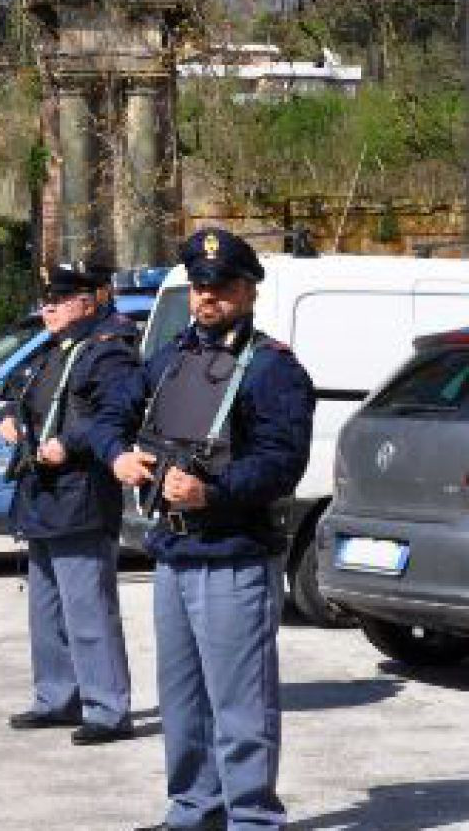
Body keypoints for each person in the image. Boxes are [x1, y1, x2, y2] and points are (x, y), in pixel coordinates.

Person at [88, 230, 315, 831]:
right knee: (184, 702)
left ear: (248, 289)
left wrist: (211, 491)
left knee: (240, 705)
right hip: (175, 550)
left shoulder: (274, 369)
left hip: (234, 556)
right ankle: (193, 809)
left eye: (220, 287)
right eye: (199, 286)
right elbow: (111, 409)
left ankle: (252, 818)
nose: (206, 297)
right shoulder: (171, 357)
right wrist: (117, 454)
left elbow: (281, 463)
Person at [0, 265, 139, 745]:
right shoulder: (52, 350)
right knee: (47, 610)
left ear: (90, 300)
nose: (49, 308)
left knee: (88, 609)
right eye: (46, 300)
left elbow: (117, 412)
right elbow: (16, 396)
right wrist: (8, 421)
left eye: (60, 299)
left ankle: (107, 707)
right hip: (42, 495)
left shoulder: (109, 351)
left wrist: (70, 444)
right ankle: (57, 697)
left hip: (81, 494)